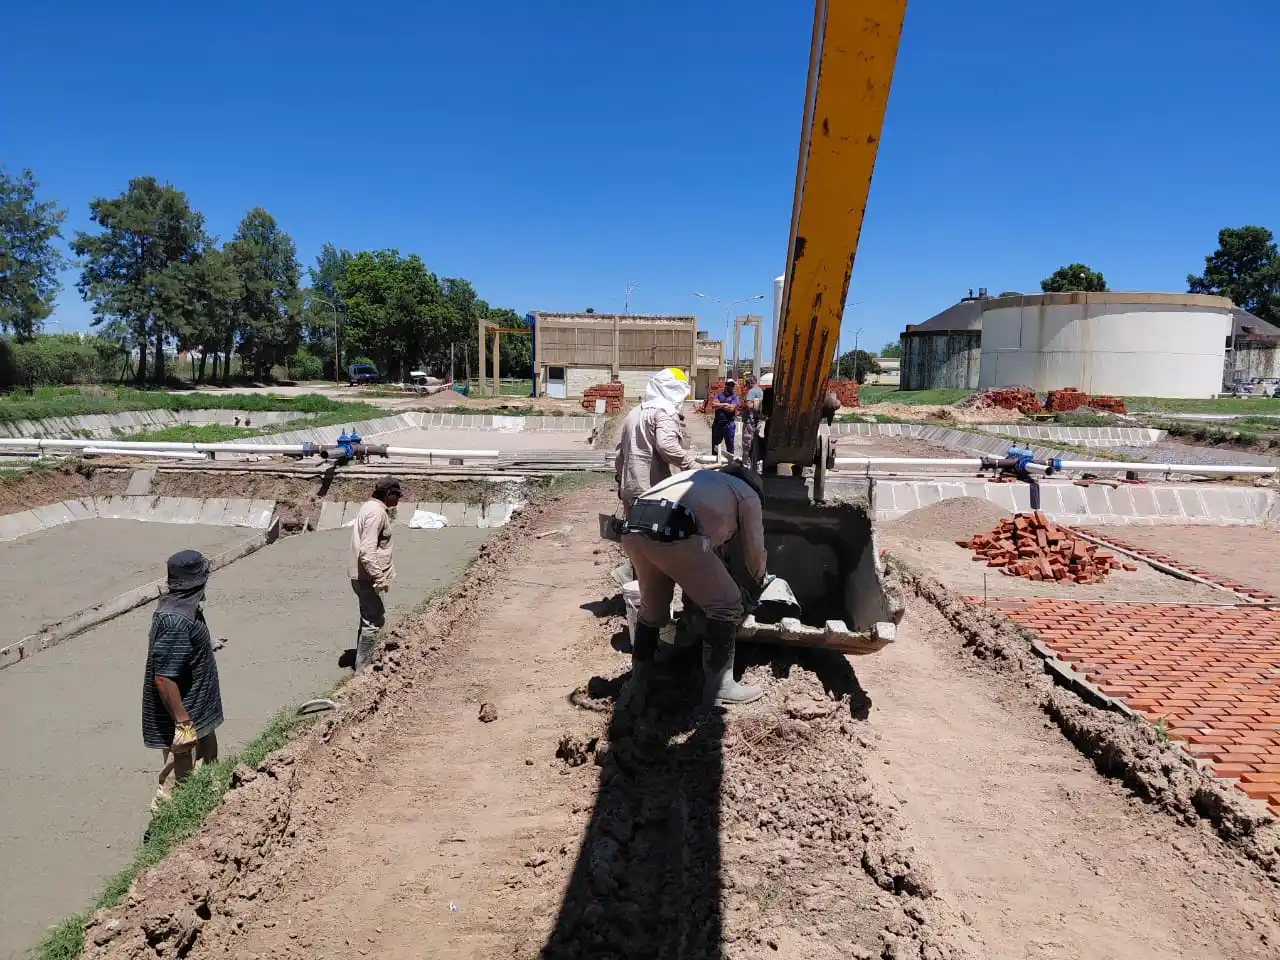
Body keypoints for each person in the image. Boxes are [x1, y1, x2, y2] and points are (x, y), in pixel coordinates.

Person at [621, 464, 768, 708]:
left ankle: (640, 679)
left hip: (634, 527)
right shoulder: (747, 493)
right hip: (675, 532)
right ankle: (721, 687)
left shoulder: (700, 481)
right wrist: (760, 579)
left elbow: (708, 535)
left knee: (652, 609)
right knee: (727, 604)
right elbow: (754, 552)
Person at [142, 550, 223, 808]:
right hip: (186, 724)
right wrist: (183, 723)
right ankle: (176, 834)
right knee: (181, 789)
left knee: (206, 780)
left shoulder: (185, 609)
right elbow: (164, 679)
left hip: (199, 716)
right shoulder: (176, 620)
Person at [613, 367, 699, 513]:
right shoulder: (665, 412)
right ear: (673, 390)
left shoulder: (634, 412)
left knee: (634, 532)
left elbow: (620, 454)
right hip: (656, 492)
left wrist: (622, 478)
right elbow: (667, 446)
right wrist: (692, 465)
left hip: (631, 488)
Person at [349, 476, 402, 671]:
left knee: (369, 617)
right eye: (397, 495)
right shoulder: (376, 514)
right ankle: (363, 670)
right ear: (388, 494)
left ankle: (361, 660)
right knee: (373, 621)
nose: (398, 500)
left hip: (363, 575)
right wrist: (379, 577)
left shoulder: (368, 508)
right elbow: (367, 550)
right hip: (367, 577)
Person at [710, 378, 740, 460]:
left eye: (732, 385)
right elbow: (713, 405)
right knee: (715, 445)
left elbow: (731, 409)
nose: (731, 387)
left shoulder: (735, 397)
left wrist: (720, 405)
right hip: (718, 423)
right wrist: (726, 404)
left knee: (730, 445)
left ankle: (730, 464)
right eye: (729, 385)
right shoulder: (719, 395)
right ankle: (714, 462)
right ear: (726, 385)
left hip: (729, 424)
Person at [741, 373, 764, 468]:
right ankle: (754, 465)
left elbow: (749, 405)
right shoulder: (760, 391)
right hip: (756, 421)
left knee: (747, 444)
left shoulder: (751, 391)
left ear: (749, 382)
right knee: (754, 443)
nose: (746, 386)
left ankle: (746, 465)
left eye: (746, 383)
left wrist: (744, 407)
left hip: (749, 422)